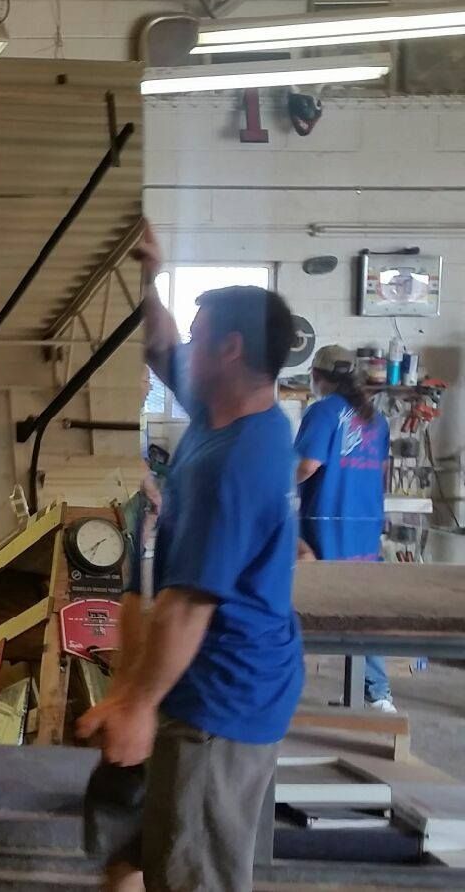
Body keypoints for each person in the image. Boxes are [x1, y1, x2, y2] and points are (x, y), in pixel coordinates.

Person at [77, 224, 302, 892]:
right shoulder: (226, 413)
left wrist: (136, 703)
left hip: (218, 706)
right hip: (191, 685)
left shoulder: (235, 464)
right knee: (131, 850)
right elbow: (162, 346)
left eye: (202, 336)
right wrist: (151, 275)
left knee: (190, 871)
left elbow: (188, 607)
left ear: (230, 350)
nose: (188, 347)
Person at [295, 344, 394, 713]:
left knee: (307, 605)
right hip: (364, 524)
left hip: (327, 521)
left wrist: (275, 485)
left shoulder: (323, 412)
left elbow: (307, 464)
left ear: (318, 378)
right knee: (363, 608)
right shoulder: (376, 418)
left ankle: (287, 687)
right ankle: (377, 692)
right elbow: (381, 472)